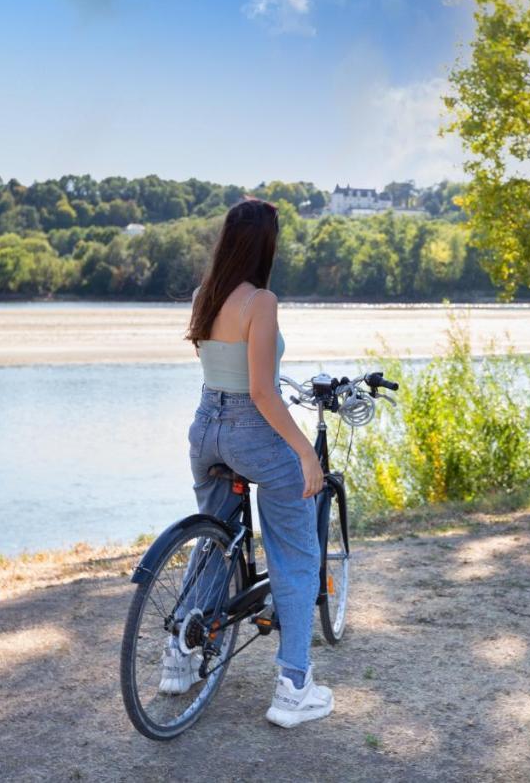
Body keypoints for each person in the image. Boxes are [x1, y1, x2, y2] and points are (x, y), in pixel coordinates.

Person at [162, 196, 333, 729]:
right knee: (297, 549)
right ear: (266, 246)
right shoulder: (261, 301)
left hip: (203, 428)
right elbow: (260, 391)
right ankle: (293, 687)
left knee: (215, 538)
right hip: (248, 431)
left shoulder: (204, 296)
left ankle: (178, 657)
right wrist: (305, 453)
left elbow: (223, 373)